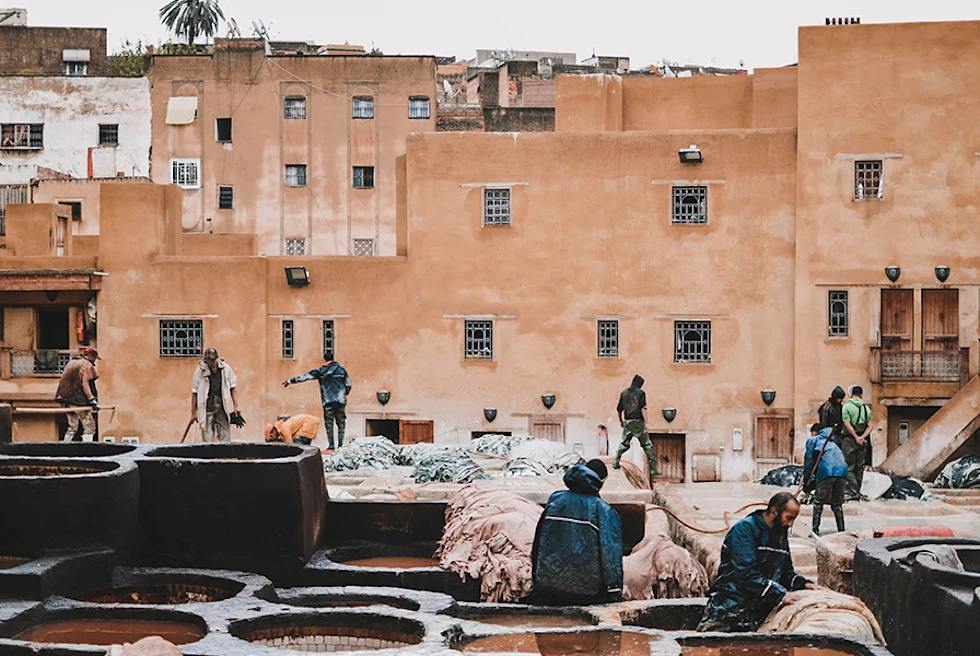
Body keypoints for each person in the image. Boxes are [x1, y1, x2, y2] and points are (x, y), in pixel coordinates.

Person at [697, 492, 816, 633]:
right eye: (788, 518)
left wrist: (805, 584)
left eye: (793, 520)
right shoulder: (744, 530)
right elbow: (746, 574)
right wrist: (781, 595)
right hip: (729, 611)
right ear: (774, 512)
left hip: (757, 615)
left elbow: (786, 574)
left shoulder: (779, 535)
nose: (790, 524)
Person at [531, 459, 623, 605]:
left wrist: (537, 579)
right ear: (599, 482)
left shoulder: (555, 500)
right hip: (587, 594)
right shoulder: (604, 510)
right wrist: (614, 591)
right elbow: (610, 555)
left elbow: (538, 543)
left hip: (549, 589)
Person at [283, 350, 352, 449]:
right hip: (340, 401)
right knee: (341, 423)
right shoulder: (342, 370)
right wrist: (344, 394)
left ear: (325, 359)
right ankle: (341, 445)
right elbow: (348, 384)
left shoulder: (320, 371)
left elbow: (305, 377)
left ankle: (331, 446)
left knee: (329, 424)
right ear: (333, 359)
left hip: (328, 401)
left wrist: (290, 381)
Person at [803, 423, 848, 535]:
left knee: (818, 502)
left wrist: (806, 482)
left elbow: (809, 462)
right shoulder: (833, 443)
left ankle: (814, 530)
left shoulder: (813, 440)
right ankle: (842, 531)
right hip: (842, 472)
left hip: (827, 471)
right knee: (837, 504)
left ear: (813, 432)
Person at [190, 348, 242, 443]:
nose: (210, 364)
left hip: (222, 408)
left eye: (212, 362)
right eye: (208, 362)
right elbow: (195, 393)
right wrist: (193, 413)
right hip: (207, 409)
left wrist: (236, 406)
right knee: (207, 440)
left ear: (217, 359)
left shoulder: (226, 369)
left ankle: (224, 457)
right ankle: (210, 457)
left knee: (225, 439)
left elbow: (233, 388)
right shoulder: (200, 371)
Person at [613, 375, 659, 478]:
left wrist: (621, 421)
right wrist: (647, 423)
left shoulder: (624, 393)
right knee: (647, 445)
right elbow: (643, 408)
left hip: (628, 422)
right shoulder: (641, 393)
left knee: (624, 444)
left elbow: (619, 409)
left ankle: (616, 462)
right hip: (639, 422)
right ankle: (653, 469)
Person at [55, 347, 101, 442]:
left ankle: (65, 446)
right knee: (89, 427)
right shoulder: (87, 365)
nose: (94, 360)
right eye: (94, 358)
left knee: (72, 426)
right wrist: (92, 399)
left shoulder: (71, 363)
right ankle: (87, 449)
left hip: (65, 399)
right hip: (78, 400)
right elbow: (85, 384)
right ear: (91, 356)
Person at [842, 386, 873, 501]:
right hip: (862, 440)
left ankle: (853, 491)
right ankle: (857, 491)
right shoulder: (866, 409)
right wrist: (862, 437)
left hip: (850, 439)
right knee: (859, 468)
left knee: (849, 467)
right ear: (861, 395)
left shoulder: (847, 407)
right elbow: (870, 426)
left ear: (851, 394)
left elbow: (847, 424)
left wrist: (855, 437)